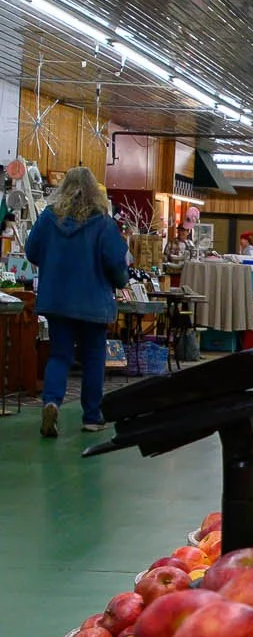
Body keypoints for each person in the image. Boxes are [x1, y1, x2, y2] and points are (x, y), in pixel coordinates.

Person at [25, 166, 130, 438]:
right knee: (94, 359)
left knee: (60, 355)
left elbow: (31, 251)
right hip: (93, 303)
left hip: (57, 300)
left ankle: (51, 402)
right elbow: (117, 262)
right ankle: (92, 417)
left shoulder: (48, 218)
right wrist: (120, 281)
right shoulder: (103, 222)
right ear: (95, 191)